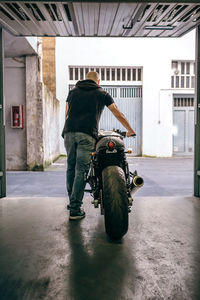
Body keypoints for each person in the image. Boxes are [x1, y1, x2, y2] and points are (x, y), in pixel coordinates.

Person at [62, 71, 135, 220]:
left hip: (69, 132)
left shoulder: (73, 92)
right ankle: (75, 210)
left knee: (71, 168)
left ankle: (72, 202)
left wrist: (69, 129)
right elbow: (117, 113)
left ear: (85, 79)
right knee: (81, 171)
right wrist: (130, 129)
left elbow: (66, 113)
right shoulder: (101, 93)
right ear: (98, 82)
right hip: (87, 134)